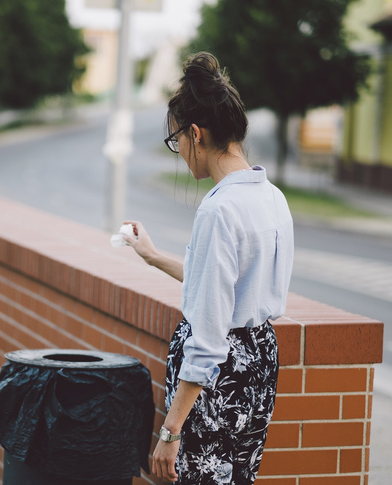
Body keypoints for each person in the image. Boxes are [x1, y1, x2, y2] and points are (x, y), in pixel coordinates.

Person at [122, 52, 294, 484]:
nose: (179, 150)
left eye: (176, 139)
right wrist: (155, 256)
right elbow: (228, 285)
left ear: (196, 134)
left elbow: (211, 332)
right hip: (259, 362)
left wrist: (170, 430)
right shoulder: (271, 197)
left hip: (219, 380)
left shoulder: (219, 210)